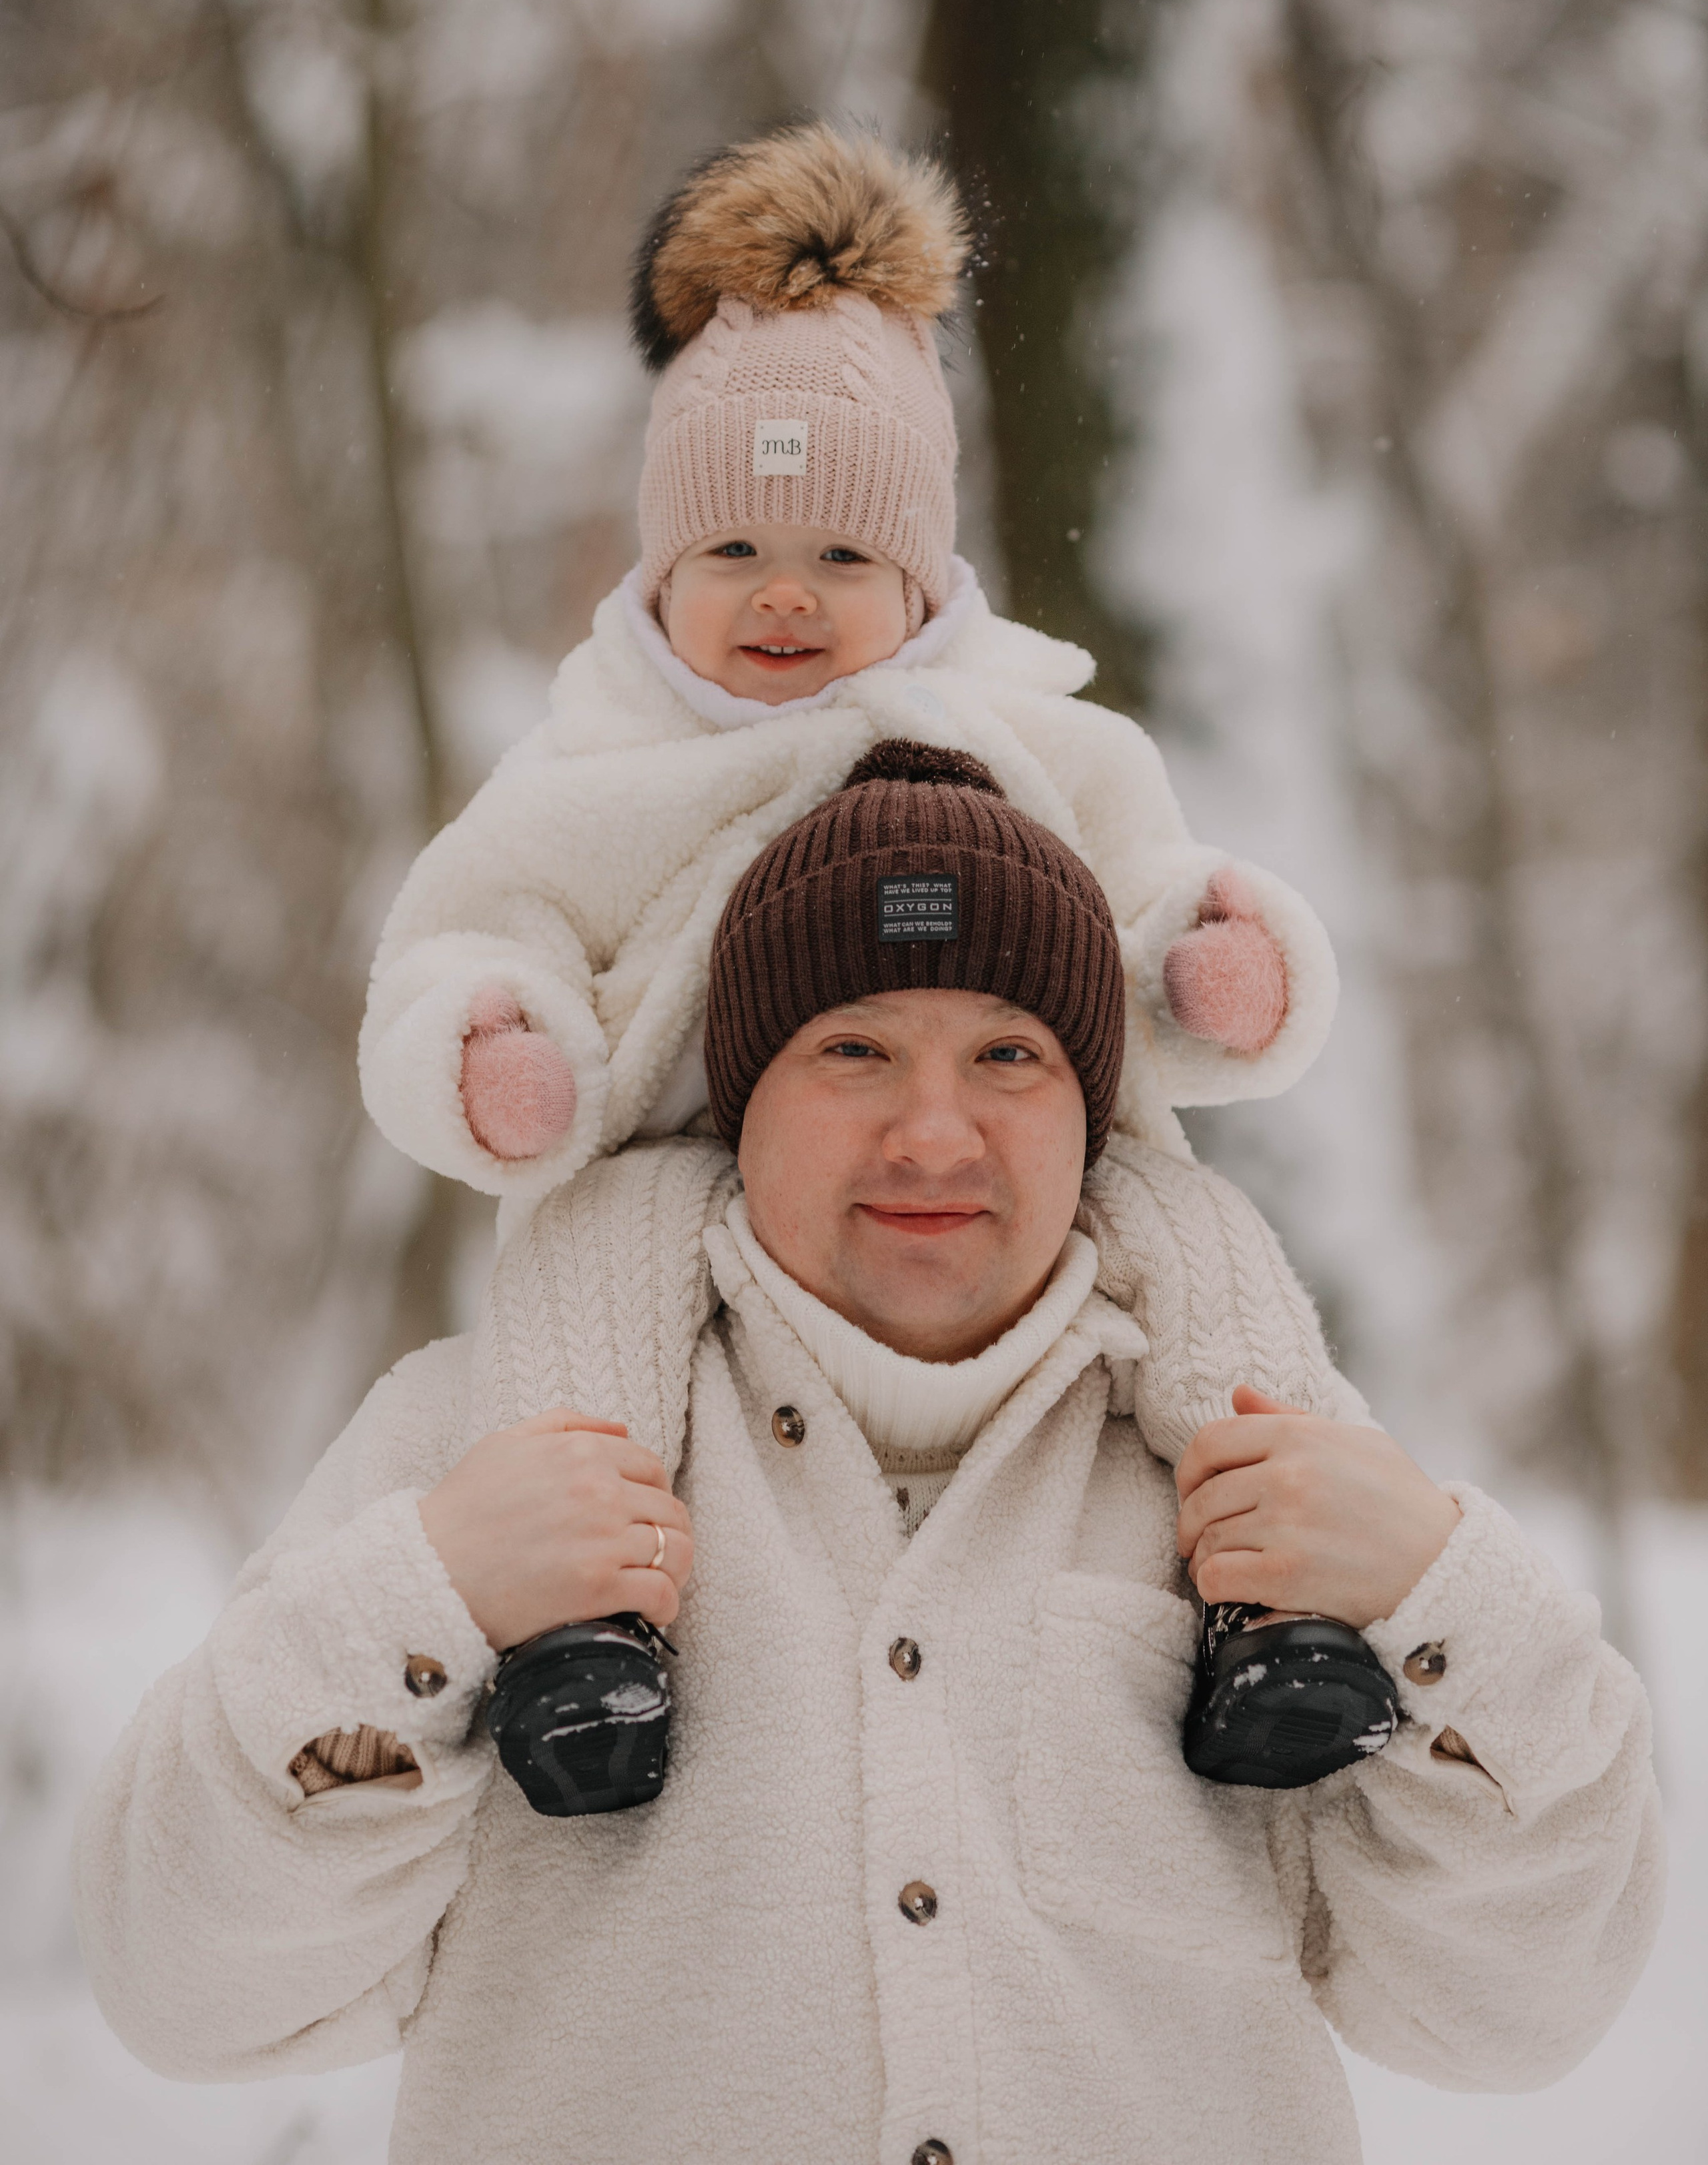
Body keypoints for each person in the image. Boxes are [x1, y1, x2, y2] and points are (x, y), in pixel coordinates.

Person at [75, 749, 1662, 2165]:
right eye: (852, 1051)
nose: (931, 1134)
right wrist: (416, 1603)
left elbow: (1509, 2017)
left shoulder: (1269, 1478)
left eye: (1007, 1057)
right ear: (737, 1096)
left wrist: (1455, 1600)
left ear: (1092, 1107)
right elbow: (187, 1991)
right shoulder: (475, 1444)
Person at [356, 119, 1338, 1250]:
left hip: (983, 1207)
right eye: (733, 554)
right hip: (668, 1200)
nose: (785, 596)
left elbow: (1142, 897)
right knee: (592, 1277)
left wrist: (1205, 970)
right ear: (662, 575)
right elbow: (467, 935)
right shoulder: (594, 769)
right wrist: (494, 1055)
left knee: (1190, 1244)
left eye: (841, 557)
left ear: (920, 588)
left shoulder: (1034, 747)